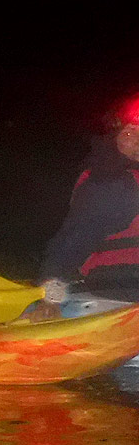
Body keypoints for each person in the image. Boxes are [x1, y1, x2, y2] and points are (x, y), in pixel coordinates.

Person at [36, 93, 139, 313]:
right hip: (118, 298)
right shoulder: (112, 182)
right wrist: (51, 299)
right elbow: (71, 243)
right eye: (130, 132)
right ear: (114, 137)